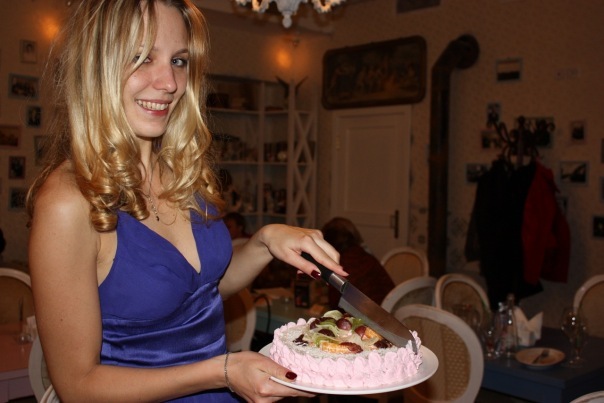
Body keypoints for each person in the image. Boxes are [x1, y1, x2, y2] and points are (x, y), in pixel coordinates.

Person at [25, 1, 345, 402]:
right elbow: (78, 387)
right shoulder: (68, 201)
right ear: (96, 65)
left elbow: (200, 295)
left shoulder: (182, 171)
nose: (170, 83)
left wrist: (264, 242)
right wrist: (222, 371)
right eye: (142, 57)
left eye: (178, 60)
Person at [321, 217, 395, 310]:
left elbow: (335, 306)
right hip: (388, 310)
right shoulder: (367, 257)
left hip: (364, 316)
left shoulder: (339, 267)